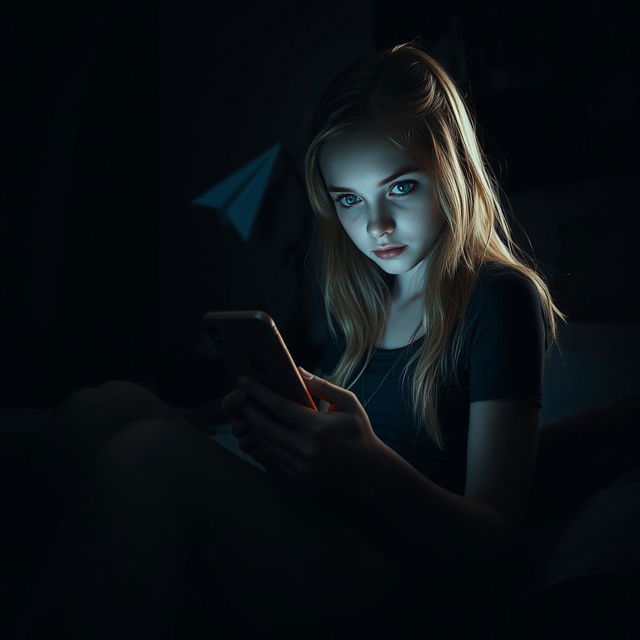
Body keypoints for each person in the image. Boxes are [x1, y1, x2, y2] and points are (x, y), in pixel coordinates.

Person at [12, 38, 568, 639]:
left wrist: (368, 467)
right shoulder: (361, 298)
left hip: (400, 571)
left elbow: (492, 539)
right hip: (329, 524)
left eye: (401, 187)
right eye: (349, 200)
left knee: (150, 456)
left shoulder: (498, 296)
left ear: (452, 172)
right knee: (105, 407)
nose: (375, 226)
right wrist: (271, 427)